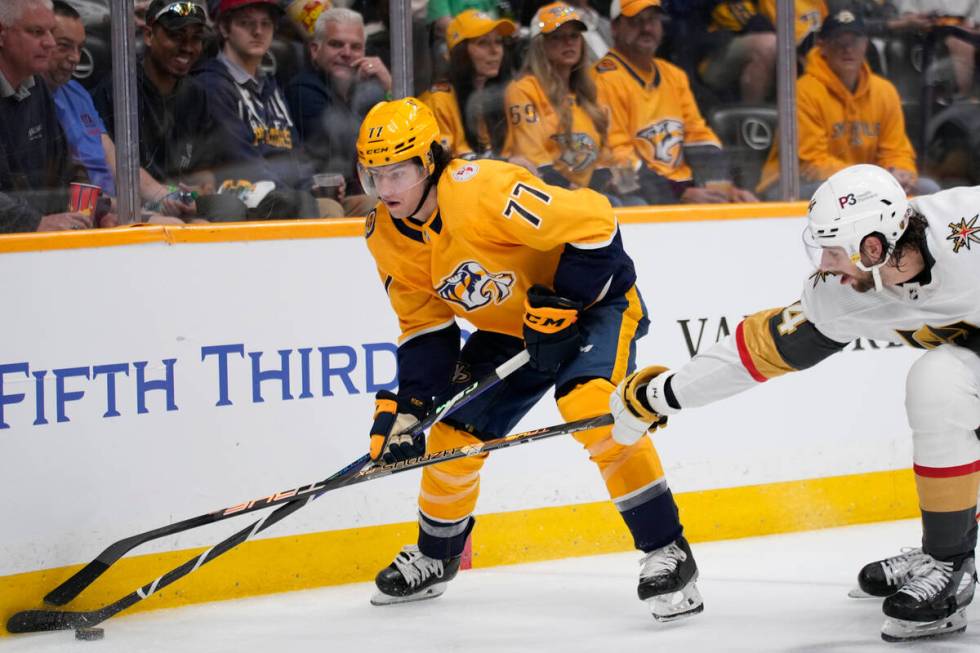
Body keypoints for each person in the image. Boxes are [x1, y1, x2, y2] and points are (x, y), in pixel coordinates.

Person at [357, 97, 702, 622]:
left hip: (593, 306)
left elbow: (597, 227)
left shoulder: (481, 189)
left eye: (397, 173)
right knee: (451, 439)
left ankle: (667, 549)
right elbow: (425, 326)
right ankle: (436, 557)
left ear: (428, 162)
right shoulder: (383, 233)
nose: (385, 190)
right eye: (373, 174)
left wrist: (563, 301)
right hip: (511, 328)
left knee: (594, 410)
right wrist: (411, 406)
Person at [610, 163, 980, 642]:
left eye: (832, 249)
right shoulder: (847, 292)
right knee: (939, 381)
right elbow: (761, 349)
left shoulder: (969, 226)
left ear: (874, 245)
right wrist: (663, 394)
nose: (824, 264)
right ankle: (948, 558)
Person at [756, 9, 937, 199]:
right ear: (822, 46)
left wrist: (900, 171)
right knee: (831, 196)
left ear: (865, 45)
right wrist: (874, 179)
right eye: (838, 41)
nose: (847, 49)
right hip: (796, 187)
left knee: (927, 188)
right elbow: (811, 165)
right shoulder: (803, 91)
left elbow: (896, 150)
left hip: (864, 184)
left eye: (855, 41)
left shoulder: (884, 91)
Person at [595, 0, 758, 205]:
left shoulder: (674, 75)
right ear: (615, 28)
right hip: (639, 194)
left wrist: (722, 189)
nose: (646, 28)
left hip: (684, 188)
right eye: (636, 21)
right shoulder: (603, 79)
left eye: (652, 20)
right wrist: (677, 194)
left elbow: (698, 135)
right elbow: (617, 157)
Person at [47, 0, 192, 222]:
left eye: (79, 48)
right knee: (174, 226)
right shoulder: (34, 99)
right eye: (64, 45)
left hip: (114, 206)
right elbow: (62, 189)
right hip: (86, 214)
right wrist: (133, 208)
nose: (75, 58)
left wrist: (168, 195)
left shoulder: (77, 93)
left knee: (195, 216)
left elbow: (116, 161)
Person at [93, 0, 239, 221]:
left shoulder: (197, 94)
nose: (188, 47)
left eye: (196, 38)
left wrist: (200, 190)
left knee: (230, 207)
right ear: (149, 36)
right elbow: (107, 175)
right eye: (176, 36)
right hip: (130, 212)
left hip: (181, 206)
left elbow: (203, 171)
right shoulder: (118, 89)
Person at [194, 0, 323, 219]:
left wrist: (312, 186)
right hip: (245, 199)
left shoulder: (270, 84)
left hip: (286, 196)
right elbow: (240, 159)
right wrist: (299, 194)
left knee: (358, 206)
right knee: (319, 209)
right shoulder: (212, 85)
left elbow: (294, 150)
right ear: (224, 28)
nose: (258, 31)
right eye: (246, 23)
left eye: (266, 24)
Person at [506, 3, 627, 201]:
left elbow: (606, 156)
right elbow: (533, 158)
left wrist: (604, 184)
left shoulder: (591, 91)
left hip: (591, 196)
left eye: (574, 36)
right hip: (545, 196)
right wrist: (576, 195)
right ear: (540, 44)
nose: (568, 43)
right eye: (557, 37)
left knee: (634, 202)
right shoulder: (523, 90)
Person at [284, 6, 388, 217]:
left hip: (349, 193)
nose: (347, 53)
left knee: (385, 206)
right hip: (310, 196)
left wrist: (389, 86)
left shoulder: (364, 88)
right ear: (315, 50)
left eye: (355, 47)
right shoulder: (302, 89)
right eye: (336, 44)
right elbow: (343, 143)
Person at [0, 0, 92, 233]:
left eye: (51, 31)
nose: (50, 43)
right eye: (36, 32)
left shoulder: (37, 87)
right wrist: (35, 224)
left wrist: (88, 215)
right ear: (1, 35)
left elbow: (67, 168)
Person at [419, 8, 516, 160]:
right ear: (460, 52)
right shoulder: (438, 101)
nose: (495, 50)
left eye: (498, 41)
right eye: (482, 43)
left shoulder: (500, 97)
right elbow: (442, 169)